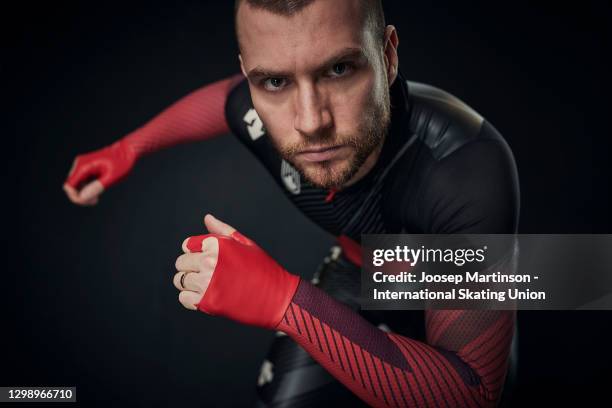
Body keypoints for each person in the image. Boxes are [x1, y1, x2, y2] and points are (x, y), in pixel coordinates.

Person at [64, 1, 520, 406]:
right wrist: (130, 148)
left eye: (339, 69)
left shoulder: (464, 167)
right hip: (357, 271)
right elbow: (224, 99)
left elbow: (470, 392)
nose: (310, 122)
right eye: (276, 81)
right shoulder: (262, 111)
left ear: (388, 54)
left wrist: (281, 299)